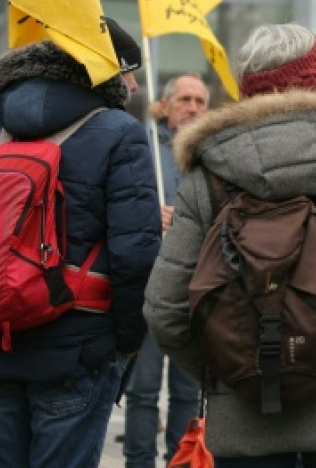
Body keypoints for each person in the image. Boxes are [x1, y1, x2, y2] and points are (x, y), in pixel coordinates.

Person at [144, 23, 316, 467]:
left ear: (249, 86)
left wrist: (225, 367)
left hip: (245, 414)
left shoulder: (206, 177)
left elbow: (165, 308)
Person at [0, 17, 162, 468]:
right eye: (128, 71)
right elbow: (135, 255)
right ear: (103, 70)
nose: (133, 84)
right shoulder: (119, 131)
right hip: (78, 346)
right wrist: (127, 341)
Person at [125, 74, 209, 468]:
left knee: (187, 391)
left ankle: (181, 460)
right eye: (184, 100)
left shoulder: (213, 156)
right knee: (142, 390)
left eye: (200, 101)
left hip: (196, 292)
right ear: (165, 105)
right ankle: (138, 462)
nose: (192, 108)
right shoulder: (140, 147)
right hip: (149, 287)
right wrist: (147, 215)